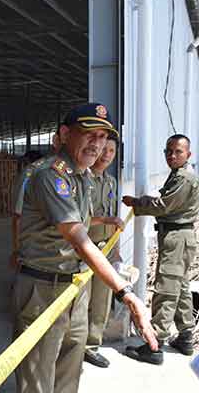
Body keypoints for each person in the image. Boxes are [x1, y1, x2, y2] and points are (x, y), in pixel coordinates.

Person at [13, 103, 157, 393]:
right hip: (43, 288)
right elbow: (79, 238)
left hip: (75, 286)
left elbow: (87, 223)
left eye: (103, 137)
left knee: (69, 372)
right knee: (37, 380)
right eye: (89, 134)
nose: (97, 144)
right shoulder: (49, 176)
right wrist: (126, 294)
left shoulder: (85, 178)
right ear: (65, 134)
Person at [122, 134, 199, 365]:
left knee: (166, 288)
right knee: (181, 286)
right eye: (168, 151)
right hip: (180, 237)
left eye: (178, 151)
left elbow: (164, 206)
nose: (172, 156)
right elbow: (167, 202)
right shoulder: (178, 175)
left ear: (188, 154)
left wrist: (137, 203)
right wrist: (142, 200)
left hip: (177, 238)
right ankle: (186, 336)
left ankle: (154, 344)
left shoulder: (184, 178)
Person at [84, 136, 120, 368]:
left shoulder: (111, 182)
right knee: (80, 299)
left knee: (101, 300)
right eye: (104, 149)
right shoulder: (82, 179)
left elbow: (115, 218)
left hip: (106, 248)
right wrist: (105, 219)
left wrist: (115, 250)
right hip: (84, 248)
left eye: (112, 150)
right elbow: (78, 219)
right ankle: (73, 344)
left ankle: (91, 345)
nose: (107, 154)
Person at [10, 133, 61, 270]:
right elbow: (17, 217)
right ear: (56, 141)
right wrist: (16, 251)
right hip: (40, 258)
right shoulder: (32, 173)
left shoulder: (80, 175)